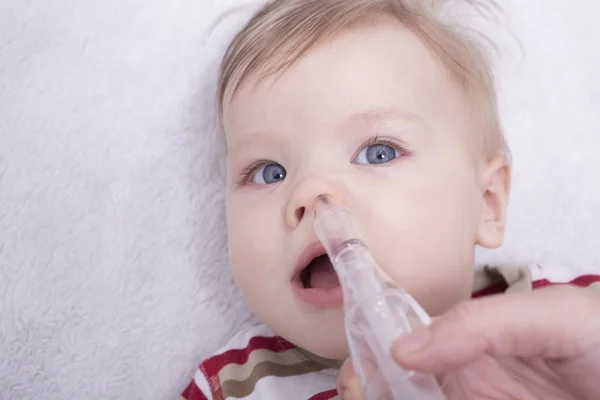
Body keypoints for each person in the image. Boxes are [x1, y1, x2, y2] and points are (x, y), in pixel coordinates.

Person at [180, 0, 600, 399]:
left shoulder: (564, 322)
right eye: (270, 172)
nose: (312, 193)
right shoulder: (233, 386)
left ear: (486, 203)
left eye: (378, 153)